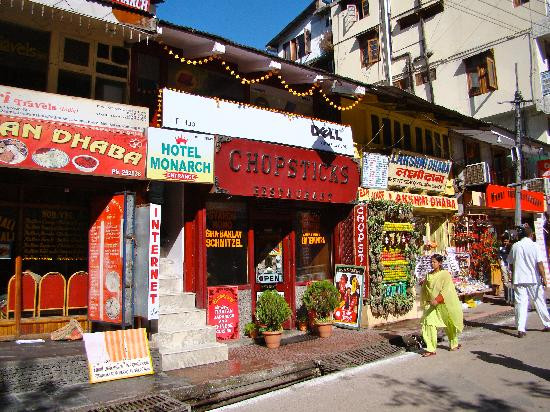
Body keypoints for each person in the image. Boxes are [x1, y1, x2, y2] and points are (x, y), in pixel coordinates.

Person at [506, 224, 550, 338]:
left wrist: (513, 275)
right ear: (531, 235)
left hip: (519, 279)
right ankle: (547, 324)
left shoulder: (515, 246)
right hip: (533, 279)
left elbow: (510, 263)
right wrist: (544, 278)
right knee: (539, 301)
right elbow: (540, 264)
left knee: (521, 303)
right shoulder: (535, 246)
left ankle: (521, 329)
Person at [420, 254, 464, 357]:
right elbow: (426, 289)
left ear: (440, 263)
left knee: (449, 323)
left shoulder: (445, 274)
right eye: (431, 262)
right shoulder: (428, 275)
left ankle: (454, 343)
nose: (432, 264)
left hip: (443, 303)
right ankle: (431, 349)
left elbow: (447, 289)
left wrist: (438, 299)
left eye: (434, 262)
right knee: (428, 323)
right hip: (431, 304)